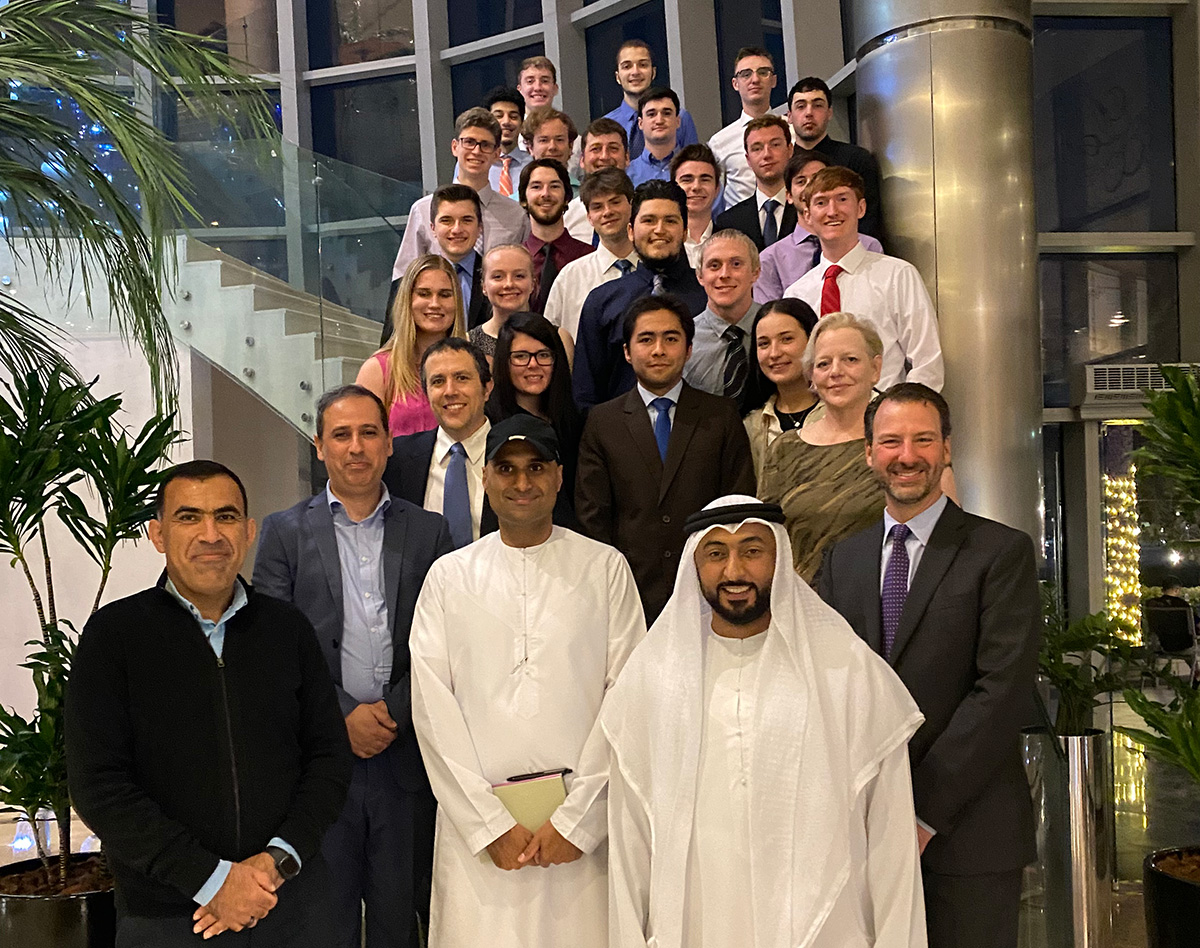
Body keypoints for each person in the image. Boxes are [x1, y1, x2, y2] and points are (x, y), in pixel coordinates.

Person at [603, 495, 928, 948]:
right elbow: (630, 841)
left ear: (780, 558)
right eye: (716, 553)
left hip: (828, 932)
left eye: (752, 551)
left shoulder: (844, 670)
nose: (734, 571)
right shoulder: (654, 681)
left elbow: (892, 845)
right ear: (694, 566)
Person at [66, 460, 352, 947]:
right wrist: (212, 880)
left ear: (249, 530)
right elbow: (99, 785)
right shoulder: (114, 637)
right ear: (157, 534)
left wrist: (274, 863)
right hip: (170, 914)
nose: (210, 533)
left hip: (291, 903)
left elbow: (328, 757)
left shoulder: (287, 630)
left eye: (225, 516)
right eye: (188, 517)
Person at [818, 383, 1042, 948]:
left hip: (968, 829)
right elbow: (820, 680)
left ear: (947, 449)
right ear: (868, 453)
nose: (907, 456)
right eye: (890, 441)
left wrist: (917, 811)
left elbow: (1001, 690)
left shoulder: (1001, 552)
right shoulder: (843, 560)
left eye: (923, 439)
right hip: (862, 829)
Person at [410, 414, 646, 948]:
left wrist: (581, 820)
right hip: (481, 840)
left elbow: (630, 697)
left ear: (559, 477)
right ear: (486, 478)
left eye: (536, 467)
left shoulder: (605, 569)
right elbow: (432, 708)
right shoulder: (449, 577)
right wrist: (487, 824)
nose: (522, 483)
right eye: (507, 468)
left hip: (581, 839)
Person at [253, 387, 454, 948]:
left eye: (369, 432)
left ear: (389, 444)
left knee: (399, 916)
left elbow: (449, 643)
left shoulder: (430, 532)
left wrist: (393, 710)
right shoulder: (283, 533)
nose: (356, 447)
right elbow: (273, 646)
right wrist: (341, 715)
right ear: (319, 447)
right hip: (322, 761)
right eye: (341, 435)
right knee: (324, 916)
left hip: (405, 753)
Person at [575, 295, 756, 623]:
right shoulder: (603, 422)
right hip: (628, 596)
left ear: (688, 350)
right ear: (628, 352)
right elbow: (593, 518)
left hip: (707, 592)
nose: (659, 350)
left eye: (671, 339)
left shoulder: (721, 416)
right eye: (646, 339)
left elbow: (737, 506)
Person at [784, 166, 943, 391]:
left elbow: (927, 362)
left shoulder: (897, 275)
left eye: (842, 199)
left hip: (884, 416)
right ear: (808, 215)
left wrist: (900, 418)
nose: (832, 211)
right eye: (821, 202)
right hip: (819, 419)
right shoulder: (796, 294)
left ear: (861, 208)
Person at [757, 312, 886, 585]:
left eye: (850, 360)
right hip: (803, 608)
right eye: (823, 363)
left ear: (876, 368)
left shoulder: (898, 445)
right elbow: (766, 538)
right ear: (812, 375)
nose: (836, 372)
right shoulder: (785, 448)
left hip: (884, 604)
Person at [572, 180, 705, 410]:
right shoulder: (602, 301)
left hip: (699, 430)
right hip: (619, 436)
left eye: (670, 221)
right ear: (631, 231)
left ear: (685, 232)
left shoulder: (708, 295)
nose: (659, 230)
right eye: (649, 220)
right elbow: (586, 394)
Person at [391, 108, 529, 282]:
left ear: (496, 154)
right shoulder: (423, 209)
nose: (477, 151)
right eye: (469, 142)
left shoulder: (515, 214)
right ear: (455, 147)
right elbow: (404, 277)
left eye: (485, 145)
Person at [384, 337, 494, 545]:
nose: (450, 391)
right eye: (438, 381)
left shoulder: (514, 453)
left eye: (462, 378)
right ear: (426, 393)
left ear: (487, 389)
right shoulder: (397, 460)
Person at [486, 311, 582, 521]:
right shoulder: (488, 423)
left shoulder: (576, 421)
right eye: (520, 356)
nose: (533, 364)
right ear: (504, 361)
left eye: (543, 355)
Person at [358, 254, 467, 437]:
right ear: (407, 300)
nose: (435, 304)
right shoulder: (378, 370)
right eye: (424, 294)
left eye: (445, 295)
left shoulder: (473, 365)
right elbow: (365, 441)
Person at [754, 150, 883, 303]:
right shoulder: (770, 259)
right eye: (801, 181)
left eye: (819, 178)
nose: (811, 186)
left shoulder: (868, 246)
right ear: (788, 195)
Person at [545, 168, 638, 357]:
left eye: (615, 202)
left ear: (632, 205)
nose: (607, 212)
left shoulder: (655, 270)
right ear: (589, 217)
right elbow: (549, 341)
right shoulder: (570, 277)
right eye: (597, 207)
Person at [787, 77, 884, 239]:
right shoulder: (782, 164)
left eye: (817, 105)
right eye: (801, 106)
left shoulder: (856, 159)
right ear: (789, 116)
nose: (809, 113)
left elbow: (869, 221)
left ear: (829, 112)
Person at [683, 229, 761, 414]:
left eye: (736, 264)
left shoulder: (776, 329)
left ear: (755, 273)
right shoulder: (684, 339)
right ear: (700, 276)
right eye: (714, 265)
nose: (724, 274)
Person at [744, 298, 820, 476]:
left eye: (786, 339)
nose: (774, 353)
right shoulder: (752, 426)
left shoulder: (842, 410)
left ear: (813, 341)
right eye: (764, 343)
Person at [708, 46, 786, 206]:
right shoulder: (720, 142)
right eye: (746, 74)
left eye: (763, 72)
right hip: (739, 227)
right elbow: (713, 198)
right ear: (735, 84)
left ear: (774, 80)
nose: (755, 80)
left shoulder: (791, 131)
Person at [603, 38, 699, 158]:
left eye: (642, 65)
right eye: (627, 66)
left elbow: (694, 164)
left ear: (653, 73)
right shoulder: (606, 125)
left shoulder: (679, 117)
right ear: (618, 77)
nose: (635, 72)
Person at [519, 158, 593, 312]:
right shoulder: (513, 261)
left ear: (567, 198)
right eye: (536, 187)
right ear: (523, 199)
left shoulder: (589, 258)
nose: (545, 194)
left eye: (554, 186)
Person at [713, 114, 796, 251]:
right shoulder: (729, 222)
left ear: (790, 150)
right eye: (757, 148)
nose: (766, 154)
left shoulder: (807, 211)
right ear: (748, 159)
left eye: (775, 145)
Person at [452, 87, 530, 199]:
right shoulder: (472, 162)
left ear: (522, 122)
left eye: (513, 117)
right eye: (499, 116)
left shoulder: (532, 164)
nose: (506, 122)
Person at [563, 117, 630, 242]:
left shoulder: (642, 209)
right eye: (596, 149)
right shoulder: (568, 215)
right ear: (582, 160)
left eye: (613, 148)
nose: (604, 156)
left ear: (627, 158)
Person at [469, 243, 535, 360]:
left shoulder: (557, 336)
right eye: (498, 277)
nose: (509, 284)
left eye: (519, 276)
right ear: (484, 286)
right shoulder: (468, 343)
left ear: (532, 284)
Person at [670, 144, 722, 267]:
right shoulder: (661, 243)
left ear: (717, 189)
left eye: (705, 179)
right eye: (687, 179)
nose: (696, 187)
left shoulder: (733, 242)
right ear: (673, 188)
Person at [626, 87, 683, 186]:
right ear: (640, 123)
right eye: (651, 114)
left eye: (667, 113)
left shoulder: (696, 170)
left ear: (678, 121)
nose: (659, 120)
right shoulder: (627, 175)